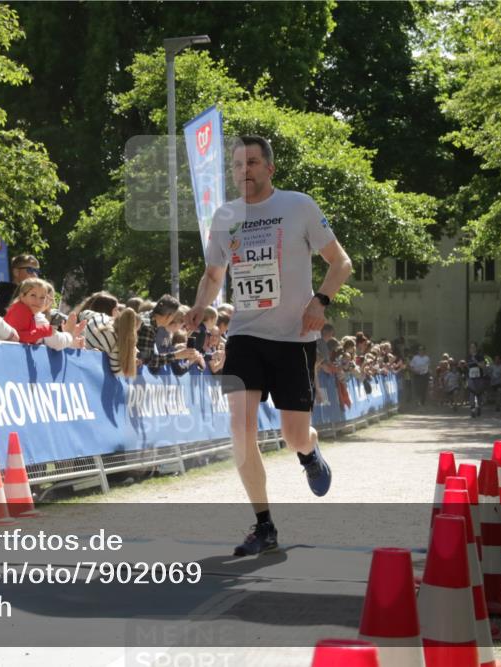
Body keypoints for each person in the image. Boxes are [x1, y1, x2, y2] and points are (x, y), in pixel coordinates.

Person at [185, 135, 352, 556]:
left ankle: (309, 452)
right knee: (240, 432)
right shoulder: (225, 217)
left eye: (254, 163)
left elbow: (341, 262)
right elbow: (212, 274)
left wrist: (320, 301)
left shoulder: (298, 206)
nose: (245, 171)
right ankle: (264, 526)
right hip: (244, 334)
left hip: (293, 337)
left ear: (270, 169)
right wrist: (199, 306)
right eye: (238, 165)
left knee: (293, 434)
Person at [3, 277, 83, 349]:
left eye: (42, 297)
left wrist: (72, 342)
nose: (38, 301)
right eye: (33, 295)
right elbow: (18, 337)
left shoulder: (26, 310)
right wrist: (45, 331)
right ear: (22, 296)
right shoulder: (22, 311)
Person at [137, 295, 199, 372]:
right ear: (169, 316)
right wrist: (177, 355)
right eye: (174, 317)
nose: (173, 320)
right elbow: (149, 360)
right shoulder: (148, 326)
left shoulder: (146, 317)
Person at [465, 341, 487, 417]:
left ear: (476, 348)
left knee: (478, 393)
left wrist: (476, 362)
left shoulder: (480, 356)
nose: (472, 349)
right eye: (471, 347)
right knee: (472, 392)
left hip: (479, 377)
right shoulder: (468, 357)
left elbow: (483, 366)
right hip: (471, 377)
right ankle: (472, 409)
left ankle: (479, 407)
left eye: (473, 347)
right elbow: (467, 367)